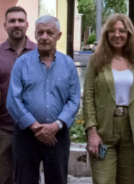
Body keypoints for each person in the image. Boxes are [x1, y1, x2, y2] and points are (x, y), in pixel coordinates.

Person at [6, 15, 81, 184]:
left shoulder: (68, 64)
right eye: (40, 32)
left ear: (59, 36)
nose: (44, 37)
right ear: (34, 34)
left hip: (58, 135)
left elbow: (74, 99)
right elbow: (13, 99)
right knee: (24, 180)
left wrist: (57, 125)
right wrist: (35, 126)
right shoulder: (22, 63)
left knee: (57, 180)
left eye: (49, 33)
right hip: (26, 135)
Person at [83, 14, 134, 184]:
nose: (116, 35)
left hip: (132, 131)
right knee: (103, 181)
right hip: (104, 130)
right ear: (106, 34)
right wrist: (92, 131)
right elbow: (88, 96)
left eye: (121, 31)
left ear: (129, 34)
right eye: (112, 31)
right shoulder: (96, 61)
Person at [0, 6, 37, 184]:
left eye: (20, 21)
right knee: (4, 178)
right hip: (4, 129)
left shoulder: (39, 53)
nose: (17, 24)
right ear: (5, 25)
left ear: (27, 25)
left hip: (32, 129)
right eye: (12, 21)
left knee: (29, 178)